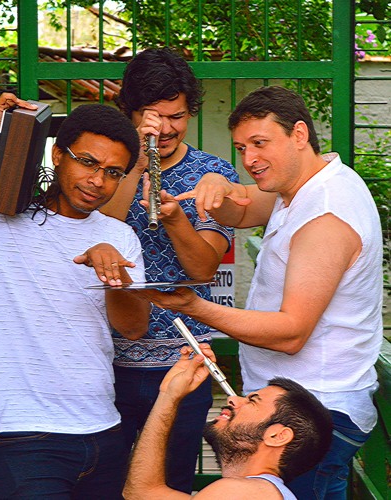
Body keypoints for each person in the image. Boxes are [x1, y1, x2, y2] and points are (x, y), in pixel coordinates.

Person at [131, 85, 383, 499]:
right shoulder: (308, 182)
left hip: (314, 415)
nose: (249, 159)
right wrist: (215, 185)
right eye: (241, 148)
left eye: (260, 143)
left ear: (299, 134)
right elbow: (243, 207)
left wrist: (195, 306)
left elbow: (291, 333)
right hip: (300, 405)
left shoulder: (325, 216)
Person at [0, 94, 152, 499]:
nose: (97, 181)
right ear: (58, 155)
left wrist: (113, 275)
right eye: (87, 162)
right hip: (26, 440)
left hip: (105, 432)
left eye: (112, 172)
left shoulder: (119, 236)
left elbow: (135, 327)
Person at [100, 46, 239, 493]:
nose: (164, 128)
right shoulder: (103, 170)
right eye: (152, 117)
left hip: (183, 363)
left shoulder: (213, 172)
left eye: (176, 116)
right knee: (103, 485)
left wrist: (177, 219)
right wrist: (137, 165)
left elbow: (203, 267)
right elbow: (91, 234)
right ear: (129, 112)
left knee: (172, 485)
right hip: (102, 362)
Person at [123, 344, 333, 499]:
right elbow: (141, 493)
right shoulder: (256, 492)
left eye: (252, 401)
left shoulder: (243, 492)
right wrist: (168, 395)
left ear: (277, 436)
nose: (233, 400)